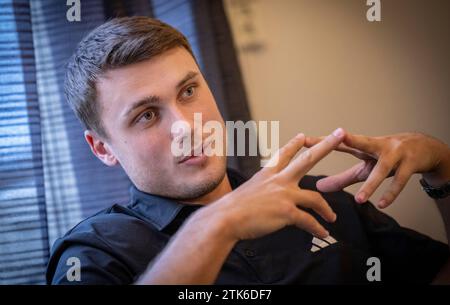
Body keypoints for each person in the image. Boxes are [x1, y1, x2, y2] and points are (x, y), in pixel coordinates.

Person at [46, 16, 450, 285]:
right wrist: (217, 224)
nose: (187, 125)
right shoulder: (94, 254)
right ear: (102, 148)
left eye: (189, 91)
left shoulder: (320, 198)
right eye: (147, 115)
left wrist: (442, 169)